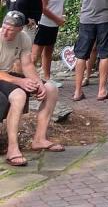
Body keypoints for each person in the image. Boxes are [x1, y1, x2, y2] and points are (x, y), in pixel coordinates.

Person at [0, 10, 63, 166]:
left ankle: (39, 139)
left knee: (50, 89)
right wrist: (20, 82)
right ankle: (12, 148)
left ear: (20, 30)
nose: (5, 32)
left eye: (11, 30)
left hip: (7, 75)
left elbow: (27, 65)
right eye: (4, 27)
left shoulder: (24, 39)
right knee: (19, 95)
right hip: (2, 76)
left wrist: (38, 83)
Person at [31, 0, 67, 81]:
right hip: (44, 24)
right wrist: (58, 19)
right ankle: (30, 79)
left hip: (53, 25)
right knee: (35, 55)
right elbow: (43, 7)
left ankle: (47, 78)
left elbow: (60, 3)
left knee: (48, 52)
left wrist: (62, 15)